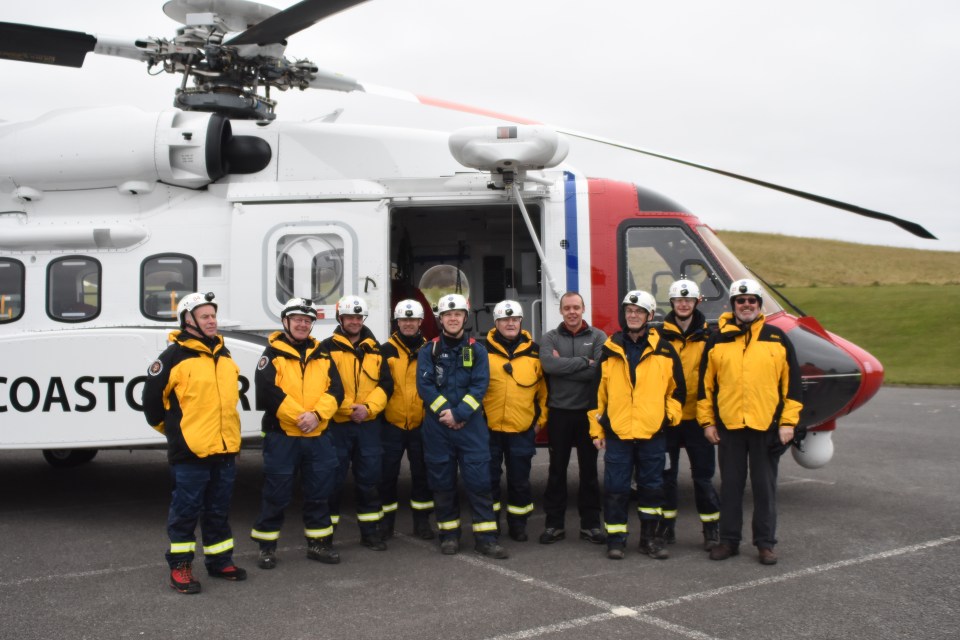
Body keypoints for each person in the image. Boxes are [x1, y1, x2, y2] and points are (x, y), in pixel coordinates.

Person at [142, 292, 246, 594]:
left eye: (213, 315)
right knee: (186, 512)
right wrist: (178, 434)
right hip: (190, 453)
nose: (212, 320)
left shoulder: (225, 356)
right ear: (188, 321)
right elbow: (151, 405)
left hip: (224, 451)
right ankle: (181, 567)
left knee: (218, 509)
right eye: (204, 316)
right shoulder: (172, 358)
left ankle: (219, 560)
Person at [698, 279, 804, 565]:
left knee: (764, 488)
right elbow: (705, 386)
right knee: (731, 486)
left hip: (766, 427)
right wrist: (708, 422)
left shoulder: (776, 338)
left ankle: (765, 544)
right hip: (730, 427)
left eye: (752, 301)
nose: (746, 305)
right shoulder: (718, 339)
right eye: (741, 301)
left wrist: (787, 423)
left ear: (759, 305)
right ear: (733, 305)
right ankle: (729, 541)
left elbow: (792, 385)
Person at [250, 298, 345, 569]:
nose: (303, 325)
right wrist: (299, 417)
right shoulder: (272, 354)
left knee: (320, 492)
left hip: (317, 436)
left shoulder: (323, 355)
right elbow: (268, 391)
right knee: (276, 493)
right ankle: (266, 547)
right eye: (298, 320)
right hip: (283, 437)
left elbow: (336, 391)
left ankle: (319, 544)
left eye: (307, 321)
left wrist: (315, 416)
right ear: (285, 322)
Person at [590, 290, 685, 560]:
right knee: (616, 488)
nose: (633, 315)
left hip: (652, 434)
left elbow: (677, 393)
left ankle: (650, 540)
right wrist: (597, 429)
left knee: (652, 488)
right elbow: (597, 395)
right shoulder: (610, 349)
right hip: (618, 432)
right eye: (629, 311)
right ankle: (616, 540)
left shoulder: (665, 350)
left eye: (639, 311)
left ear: (650, 316)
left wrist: (666, 418)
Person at [416, 293, 507, 559]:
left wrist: (460, 413)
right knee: (442, 484)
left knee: (480, 483)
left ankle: (486, 539)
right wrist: (448, 413)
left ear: (465, 318)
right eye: (448, 315)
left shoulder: (476, 350)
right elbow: (425, 387)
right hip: (438, 428)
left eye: (458, 314)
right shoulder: (428, 351)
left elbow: (480, 385)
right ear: (441, 319)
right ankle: (449, 536)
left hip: (471, 427)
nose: (453, 318)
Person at [321, 295, 394, 551]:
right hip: (337, 425)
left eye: (358, 317)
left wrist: (368, 409)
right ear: (340, 318)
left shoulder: (376, 349)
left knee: (370, 481)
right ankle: (325, 536)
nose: (354, 321)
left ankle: (370, 532)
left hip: (368, 425)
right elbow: (323, 386)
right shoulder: (325, 348)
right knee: (331, 482)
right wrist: (347, 409)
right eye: (349, 317)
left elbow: (386, 385)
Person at [538, 291, 607, 545]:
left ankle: (590, 525)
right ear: (561, 311)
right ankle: (553, 525)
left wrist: (565, 367)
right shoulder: (550, 337)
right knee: (557, 471)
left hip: (588, 414)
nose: (572, 312)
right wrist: (583, 362)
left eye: (576, 307)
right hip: (559, 414)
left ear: (583, 308)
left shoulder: (598, 336)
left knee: (589, 472)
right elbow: (549, 366)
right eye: (567, 308)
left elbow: (599, 373)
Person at [657, 279, 721, 550]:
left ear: (696, 303)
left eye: (689, 300)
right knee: (666, 478)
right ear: (671, 303)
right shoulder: (658, 337)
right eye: (679, 300)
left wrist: (713, 419)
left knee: (703, 478)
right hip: (667, 420)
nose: (683, 304)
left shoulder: (712, 337)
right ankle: (666, 529)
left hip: (699, 420)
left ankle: (711, 530)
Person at [483, 300, 548, 542]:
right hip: (488, 429)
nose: (510, 323)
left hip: (521, 428)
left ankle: (518, 525)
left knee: (519, 481)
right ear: (496, 323)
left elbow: (544, 391)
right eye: (504, 320)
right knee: (488, 481)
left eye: (514, 319)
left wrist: (540, 420)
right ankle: (490, 526)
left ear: (521, 321)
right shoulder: (482, 351)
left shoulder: (535, 352)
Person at [379, 299, 435, 540]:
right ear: (397, 322)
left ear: (420, 322)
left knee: (422, 475)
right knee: (387, 476)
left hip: (421, 425)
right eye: (404, 319)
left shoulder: (430, 349)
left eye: (413, 320)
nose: (408, 324)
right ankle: (385, 524)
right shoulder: (385, 351)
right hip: (391, 424)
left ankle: (422, 523)